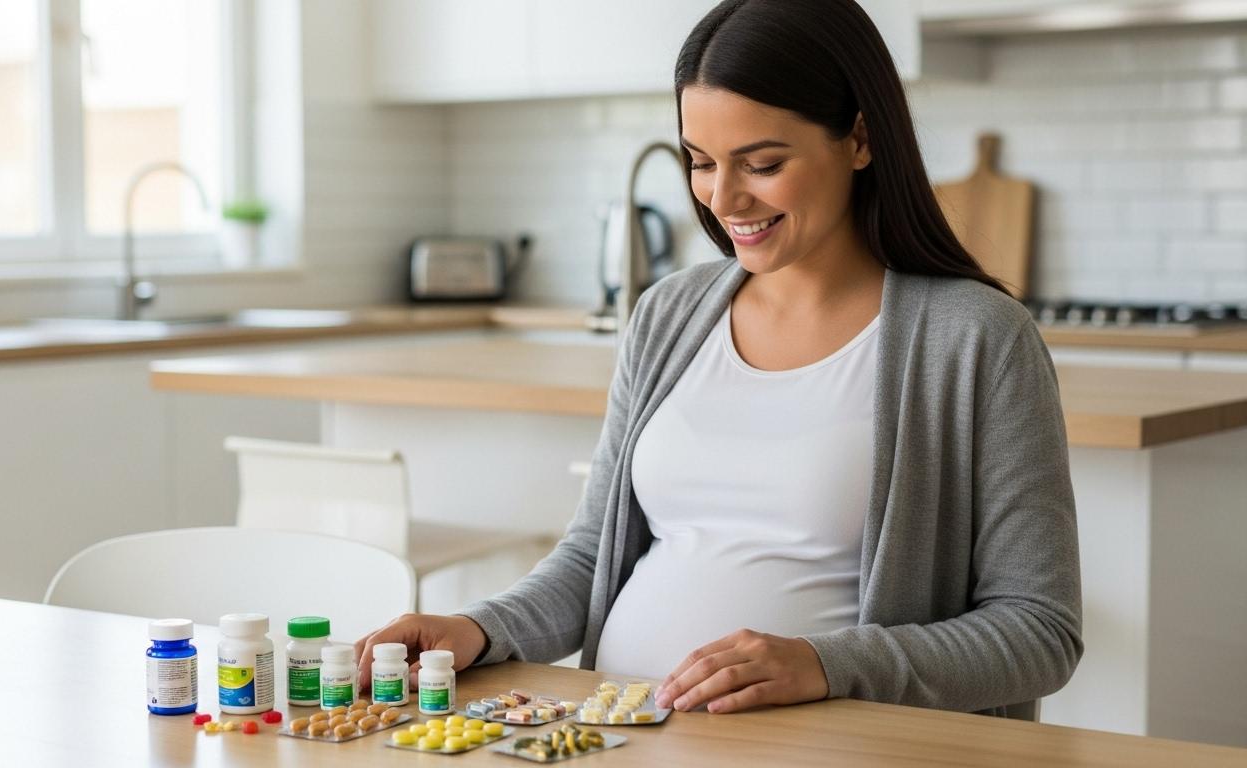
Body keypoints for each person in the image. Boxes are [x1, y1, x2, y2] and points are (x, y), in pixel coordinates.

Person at [355, 0, 1081, 720]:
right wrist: (478, 630)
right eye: (700, 162)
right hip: (615, 731)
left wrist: (825, 665)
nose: (723, 198)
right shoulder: (669, 315)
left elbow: (1039, 631)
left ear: (860, 138)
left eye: (761, 163)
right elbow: (589, 560)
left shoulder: (976, 337)